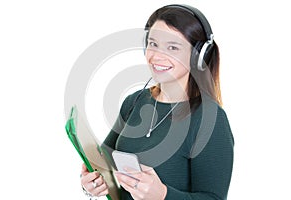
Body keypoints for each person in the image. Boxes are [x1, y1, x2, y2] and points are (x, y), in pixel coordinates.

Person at [80, 4, 234, 200]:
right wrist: (93, 183)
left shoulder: (210, 119)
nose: (157, 56)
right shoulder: (134, 102)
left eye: (173, 47)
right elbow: (104, 163)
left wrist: (163, 195)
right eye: (153, 44)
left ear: (198, 56)